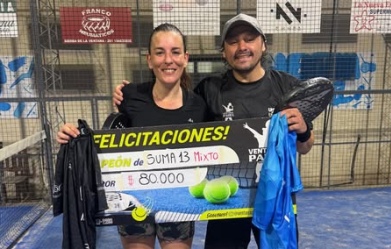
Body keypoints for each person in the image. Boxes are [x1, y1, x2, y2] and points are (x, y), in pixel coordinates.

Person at [113, 13, 314, 249]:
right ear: (224, 52)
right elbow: (179, 112)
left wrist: (302, 131)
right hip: (227, 200)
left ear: (263, 44)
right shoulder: (209, 90)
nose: (242, 47)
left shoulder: (288, 86)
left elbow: (305, 146)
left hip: (275, 201)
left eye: (249, 39)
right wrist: (128, 95)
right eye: (233, 42)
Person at [57, 23, 207, 249]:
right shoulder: (129, 96)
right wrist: (75, 138)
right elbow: (110, 142)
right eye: (160, 52)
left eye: (175, 52)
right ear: (149, 60)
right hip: (134, 205)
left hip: (179, 206)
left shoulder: (199, 106)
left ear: (185, 58)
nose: (168, 59)